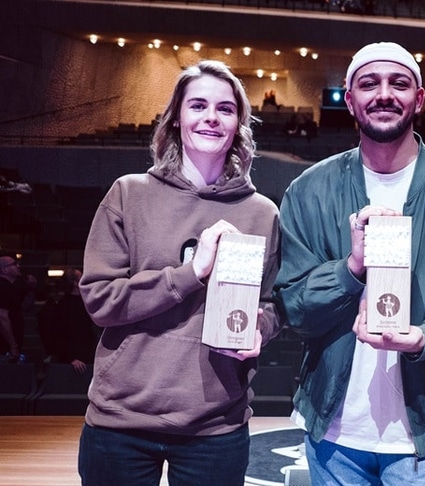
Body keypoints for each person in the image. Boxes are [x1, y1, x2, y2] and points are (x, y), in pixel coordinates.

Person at [274, 41, 425, 484]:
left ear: (420, 98)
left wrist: (422, 339)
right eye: (369, 83)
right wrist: (351, 269)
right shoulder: (308, 190)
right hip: (334, 439)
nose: (384, 94)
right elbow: (293, 307)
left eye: (399, 83)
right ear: (350, 100)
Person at [77, 60, 282, 485]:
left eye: (225, 109)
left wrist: (261, 327)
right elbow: (100, 300)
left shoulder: (262, 213)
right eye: (198, 106)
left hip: (215, 427)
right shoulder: (128, 194)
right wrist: (191, 272)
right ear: (176, 119)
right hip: (121, 423)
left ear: (238, 125)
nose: (211, 117)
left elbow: (272, 304)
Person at [37, 268, 99, 373]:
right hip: (73, 359)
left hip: (86, 354)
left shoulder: (84, 302)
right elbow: (58, 334)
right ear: (75, 283)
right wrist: (71, 357)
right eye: (81, 277)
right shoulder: (62, 306)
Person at [0, 253, 23, 363]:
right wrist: (12, 345)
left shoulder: (10, 288)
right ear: (4, 270)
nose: (18, 266)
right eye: (14, 264)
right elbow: (2, 317)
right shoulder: (3, 288)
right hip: (4, 349)